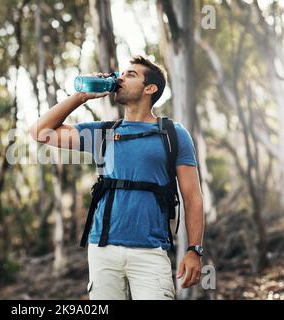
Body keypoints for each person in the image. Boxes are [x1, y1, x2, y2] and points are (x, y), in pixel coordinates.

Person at [28, 55, 204, 300]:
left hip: (151, 251)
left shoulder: (173, 134)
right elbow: (39, 132)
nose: (120, 77)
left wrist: (194, 250)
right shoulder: (102, 132)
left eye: (130, 74)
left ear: (150, 88)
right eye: (121, 73)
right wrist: (80, 96)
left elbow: (193, 197)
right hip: (103, 250)